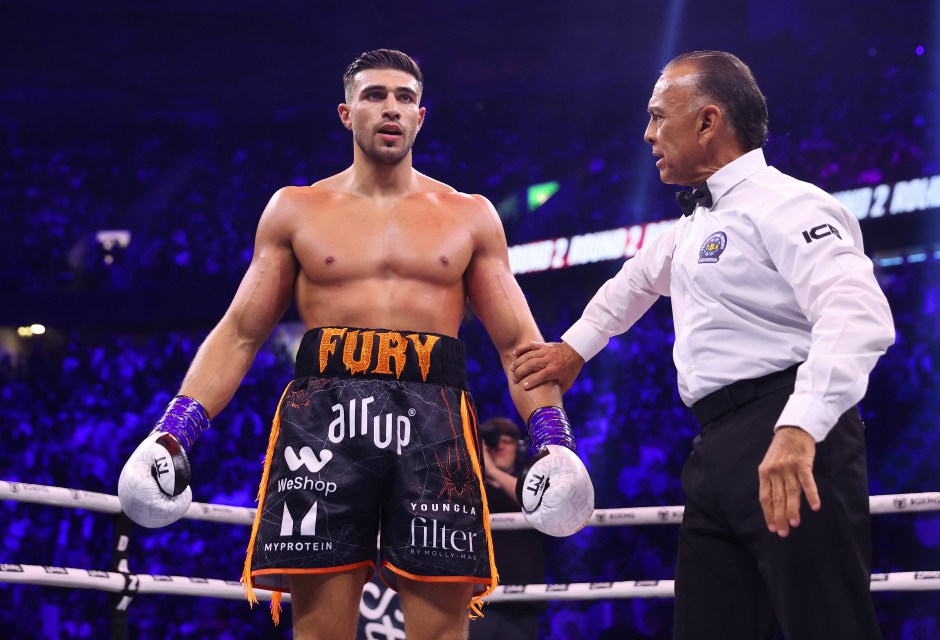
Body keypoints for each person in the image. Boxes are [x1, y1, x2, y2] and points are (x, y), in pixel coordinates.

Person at [116, 49, 593, 640]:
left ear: (422, 116)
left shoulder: (470, 216)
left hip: (434, 421)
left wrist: (554, 443)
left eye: (404, 98)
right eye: (374, 95)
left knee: (442, 632)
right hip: (324, 423)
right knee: (320, 631)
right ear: (346, 113)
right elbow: (241, 331)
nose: (390, 108)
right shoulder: (296, 209)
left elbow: (518, 343)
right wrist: (174, 432)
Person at [511, 50, 895, 640]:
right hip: (715, 448)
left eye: (660, 117)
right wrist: (575, 350)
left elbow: (860, 314)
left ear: (709, 121)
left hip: (790, 429)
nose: (648, 133)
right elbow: (634, 282)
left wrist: (801, 427)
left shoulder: (789, 204)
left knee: (825, 624)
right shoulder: (693, 224)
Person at [469, 417, 545, 640]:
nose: (500, 447)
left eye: (507, 441)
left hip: (524, 603)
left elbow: (532, 500)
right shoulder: (469, 485)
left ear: (519, 447)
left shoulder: (534, 482)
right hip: (480, 601)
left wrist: (493, 471)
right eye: (494, 442)